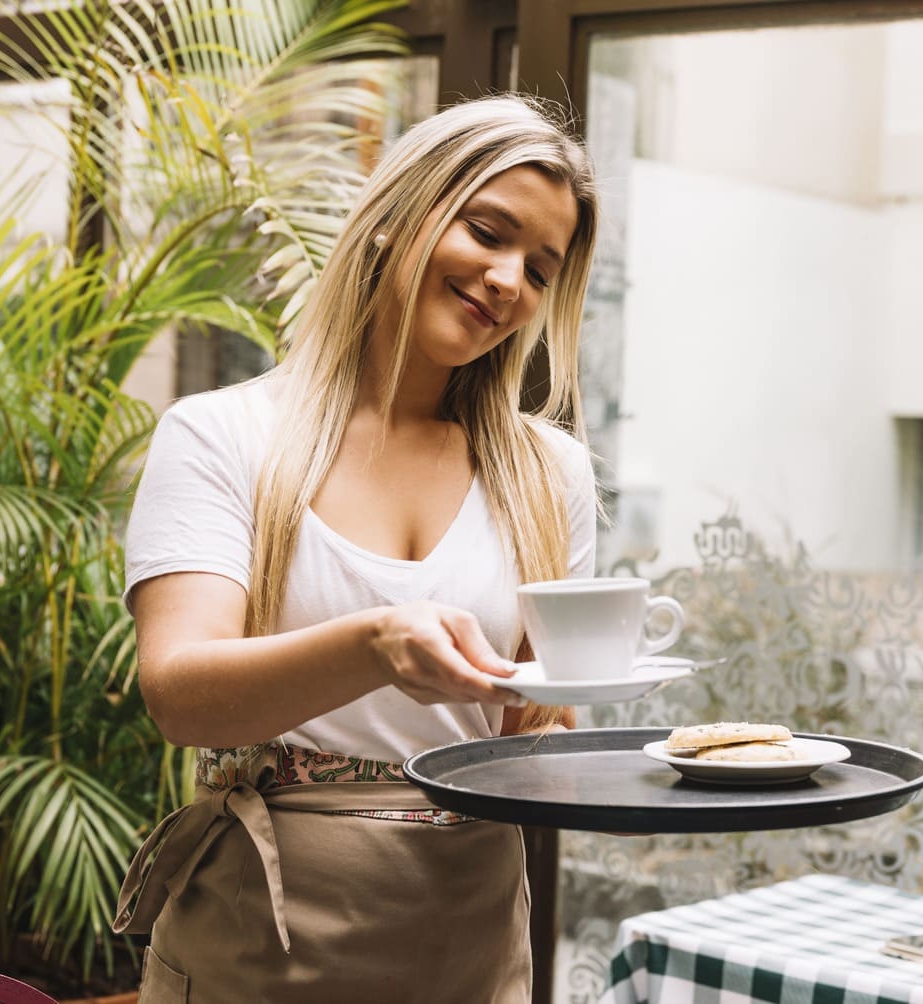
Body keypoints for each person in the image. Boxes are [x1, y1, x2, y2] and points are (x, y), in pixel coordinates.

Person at [111, 93, 600, 1003]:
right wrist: (374, 646)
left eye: (539, 269)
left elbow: (535, 734)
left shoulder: (549, 472)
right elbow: (180, 693)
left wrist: (655, 763)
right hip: (268, 929)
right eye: (487, 232)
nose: (507, 281)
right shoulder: (225, 436)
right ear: (395, 218)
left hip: (473, 931)